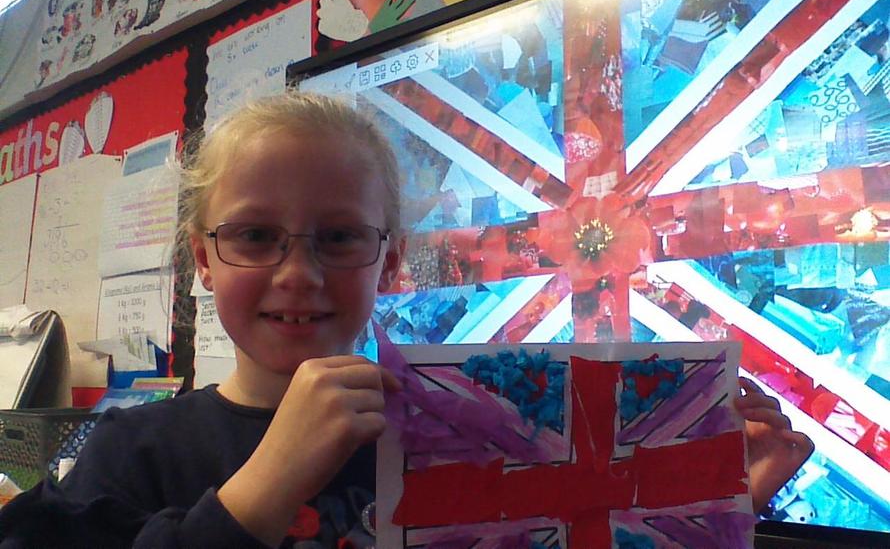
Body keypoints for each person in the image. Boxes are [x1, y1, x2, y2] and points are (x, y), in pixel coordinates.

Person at [0, 92, 813, 548]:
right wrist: (261, 489)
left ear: (390, 264)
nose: (297, 272)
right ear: (203, 260)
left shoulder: (467, 432)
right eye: (253, 236)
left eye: (339, 237)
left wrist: (701, 509)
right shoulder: (132, 453)